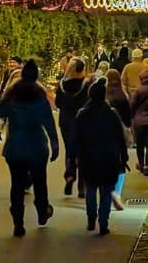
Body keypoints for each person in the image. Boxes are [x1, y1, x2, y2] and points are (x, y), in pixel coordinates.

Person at [0, 59, 59, 237]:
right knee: (40, 183)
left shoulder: (12, 95)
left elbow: (1, 113)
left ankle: (18, 222)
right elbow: (48, 122)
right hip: (36, 146)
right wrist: (55, 144)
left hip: (15, 146)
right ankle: (42, 212)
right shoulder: (40, 96)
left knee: (17, 185)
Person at [74, 78, 130, 236]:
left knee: (91, 189)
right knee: (106, 191)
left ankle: (91, 219)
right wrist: (123, 156)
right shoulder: (111, 114)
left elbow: (76, 137)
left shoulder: (82, 114)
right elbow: (120, 137)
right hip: (108, 158)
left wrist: (73, 157)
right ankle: (103, 222)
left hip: (88, 158)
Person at [55, 58, 91, 197]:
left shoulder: (62, 85)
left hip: (66, 121)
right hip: (83, 121)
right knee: (83, 152)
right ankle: (82, 186)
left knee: (70, 149)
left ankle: (70, 175)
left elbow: (58, 103)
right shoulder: (86, 85)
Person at [104, 67, 133, 211]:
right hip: (119, 134)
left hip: (103, 134)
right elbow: (128, 117)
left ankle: (107, 190)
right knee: (121, 164)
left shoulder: (103, 95)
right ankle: (117, 192)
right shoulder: (122, 96)